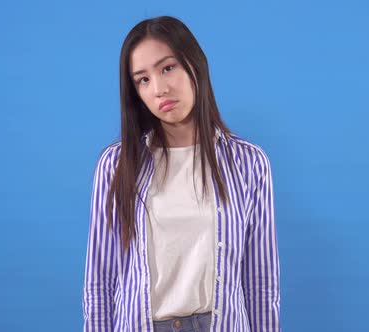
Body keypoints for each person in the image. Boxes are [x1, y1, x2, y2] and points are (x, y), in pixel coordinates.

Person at [82, 15, 281, 332]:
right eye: (142, 80)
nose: (159, 88)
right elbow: (100, 285)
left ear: (194, 65)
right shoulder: (116, 165)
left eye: (167, 68)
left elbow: (261, 283)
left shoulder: (249, 163)